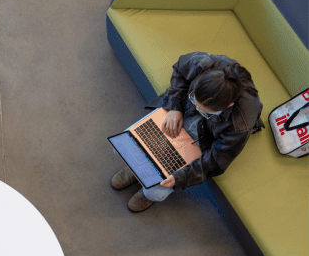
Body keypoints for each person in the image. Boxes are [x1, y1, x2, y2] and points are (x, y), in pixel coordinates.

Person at [111, 52, 262, 212]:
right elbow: (180, 72)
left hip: (208, 137)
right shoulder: (203, 64)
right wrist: (174, 107)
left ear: (229, 106)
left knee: (156, 190)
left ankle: (147, 193)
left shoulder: (240, 123)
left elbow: (216, 160)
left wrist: (181, 178)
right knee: (130, 143)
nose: (198, 110)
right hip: (183, 110)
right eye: (194, 100)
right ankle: (137, 169)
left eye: (205, 112)